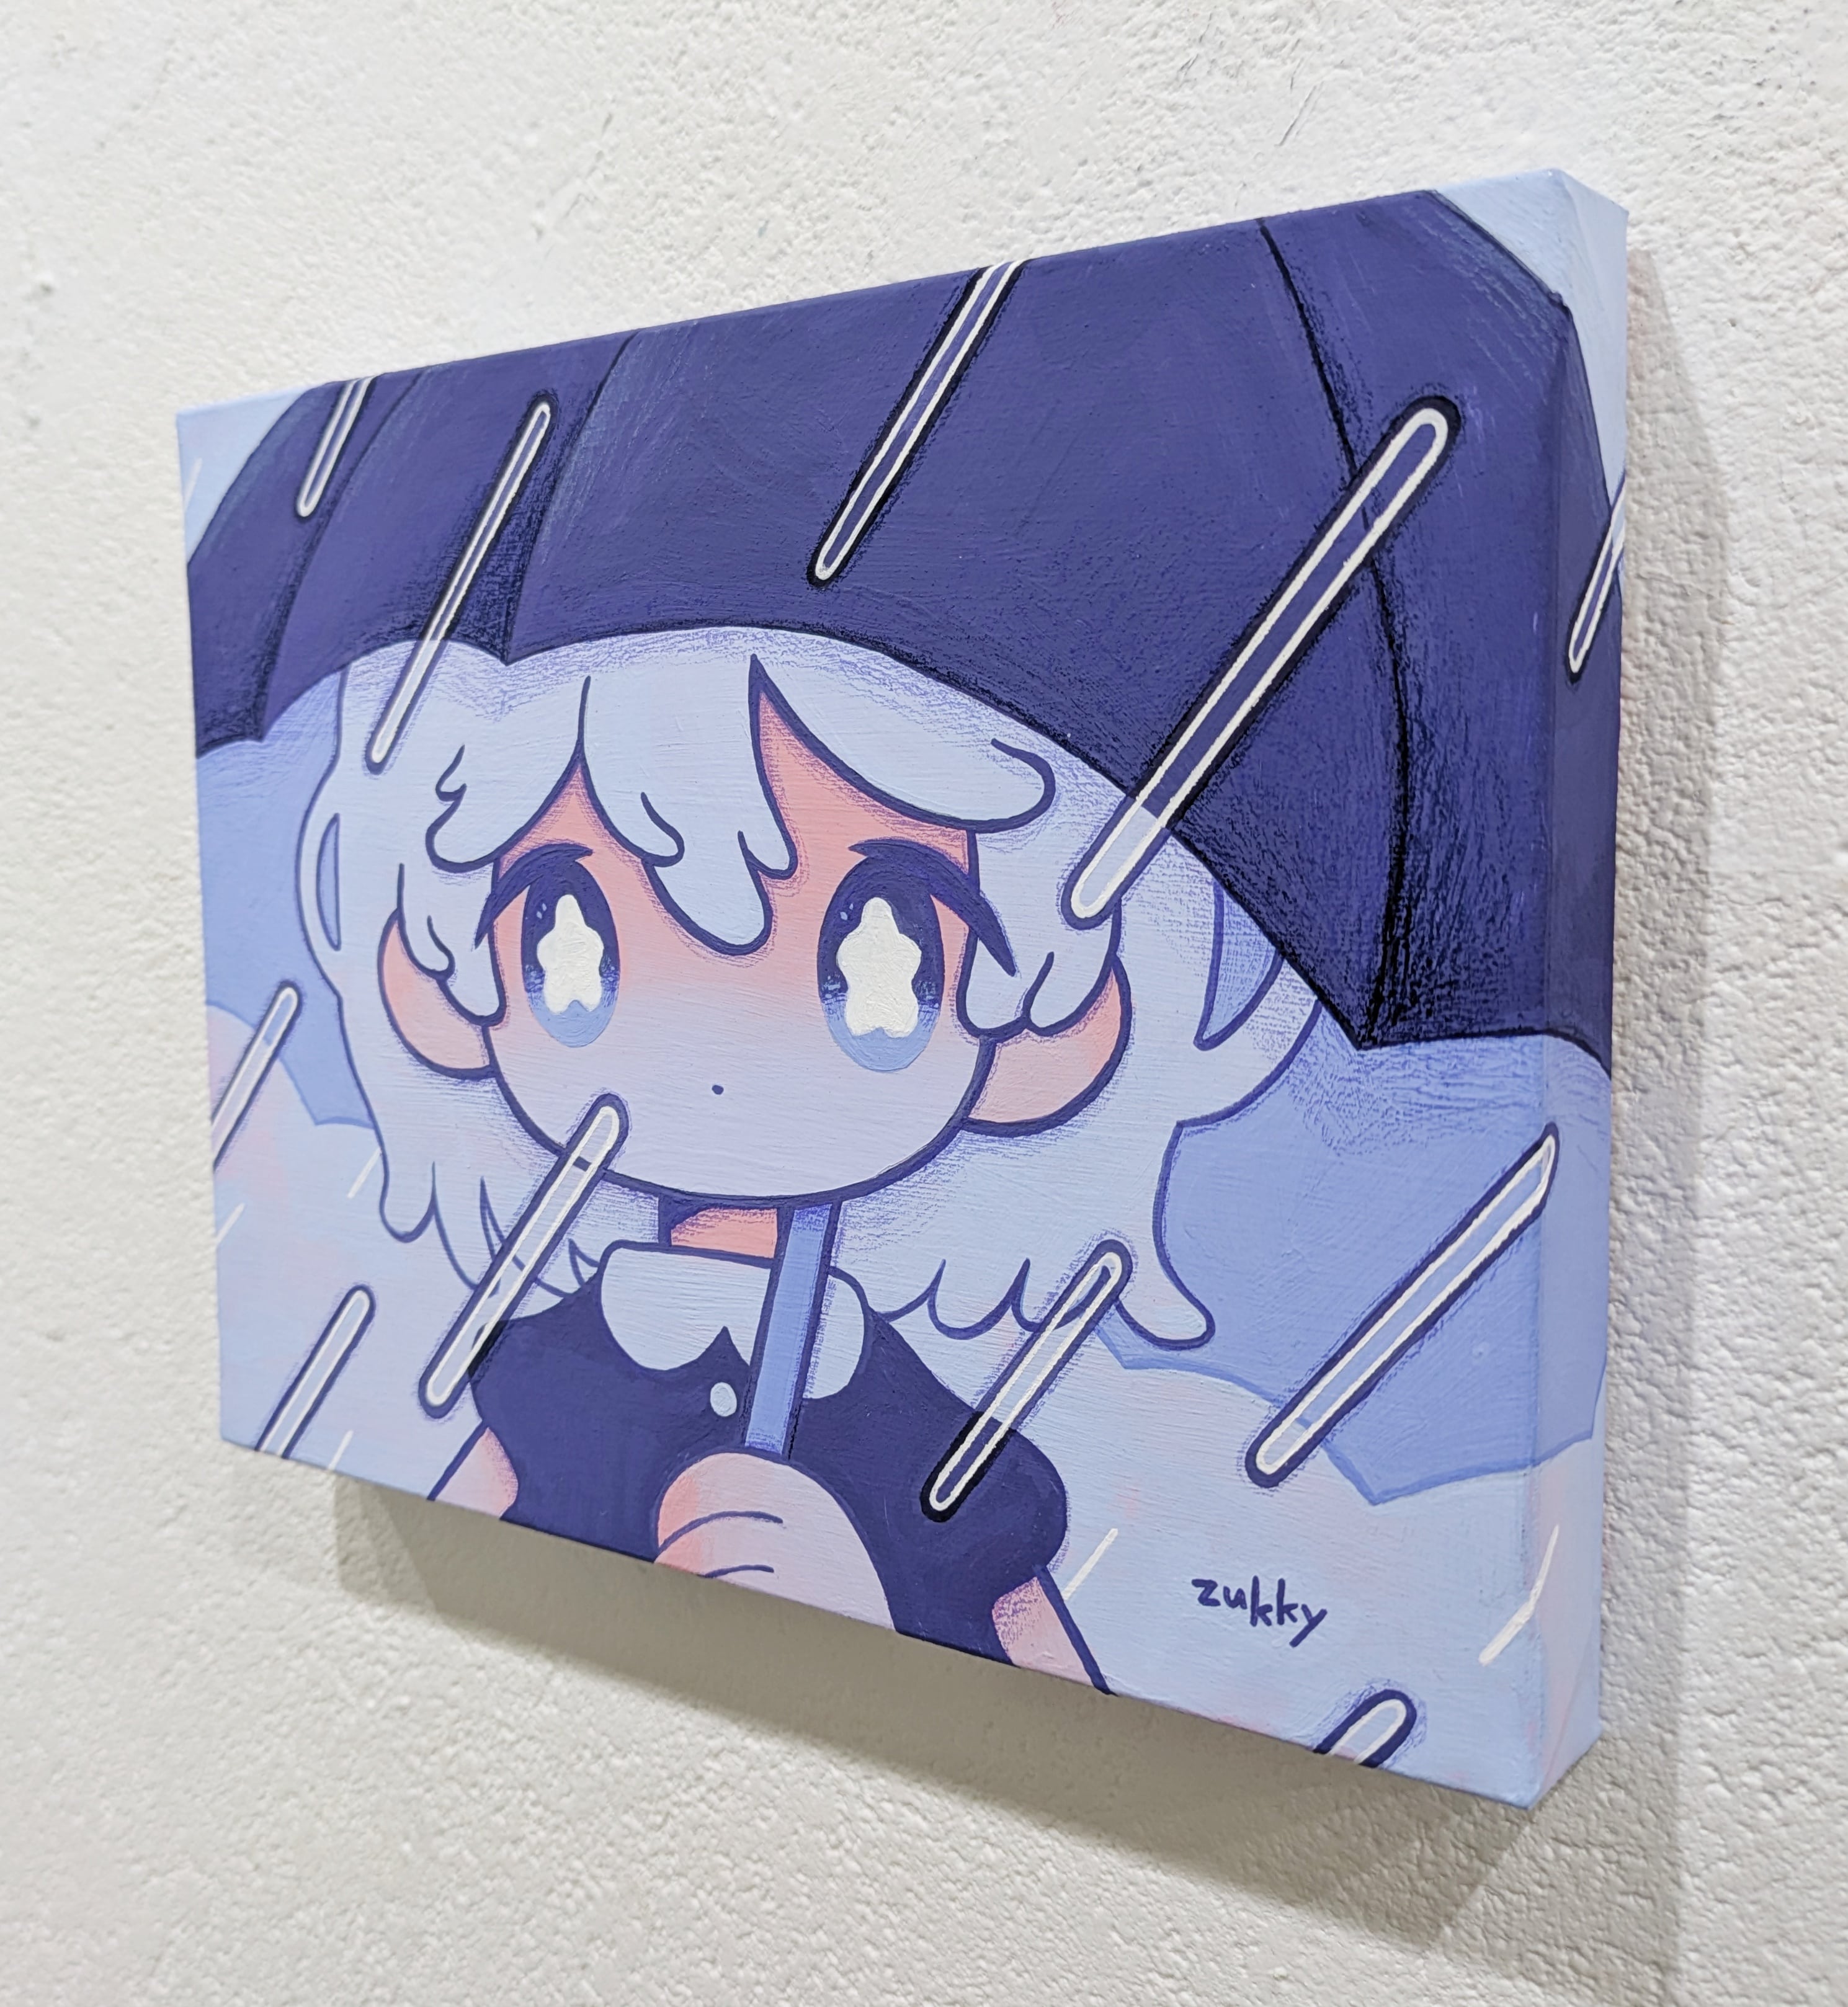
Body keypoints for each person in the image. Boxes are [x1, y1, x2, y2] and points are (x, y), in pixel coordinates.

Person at [302, 623, 1315, 1678]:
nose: (715, 1034)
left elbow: (1050, 1674)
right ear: (443, 980)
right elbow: (469, 1548)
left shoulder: (938, 1460)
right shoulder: (543, 1380)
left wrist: (866, 1601)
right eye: (575, 936)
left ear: (1047, 1029)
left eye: (876, 954)